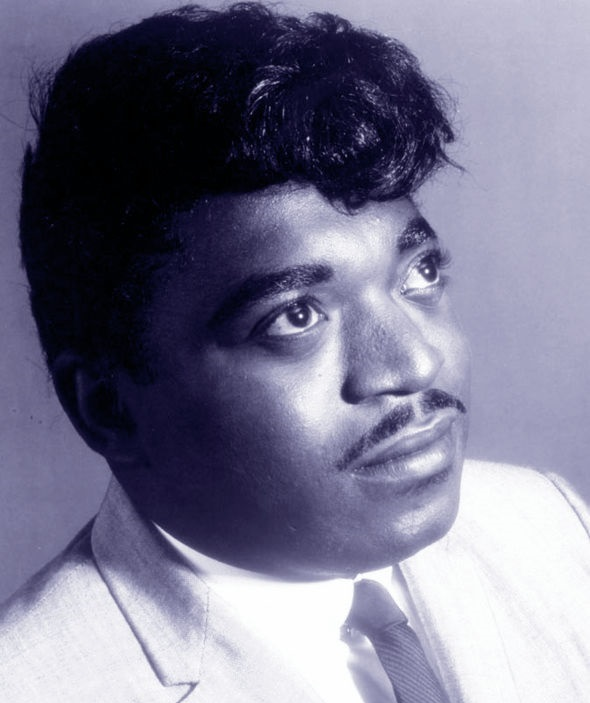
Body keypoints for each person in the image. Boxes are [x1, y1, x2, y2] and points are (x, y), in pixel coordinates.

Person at [1, 3, 589, 701]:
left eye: (419, 273)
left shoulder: (549, 526)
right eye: (296, 316)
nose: (414, 364)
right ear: (108, 408)